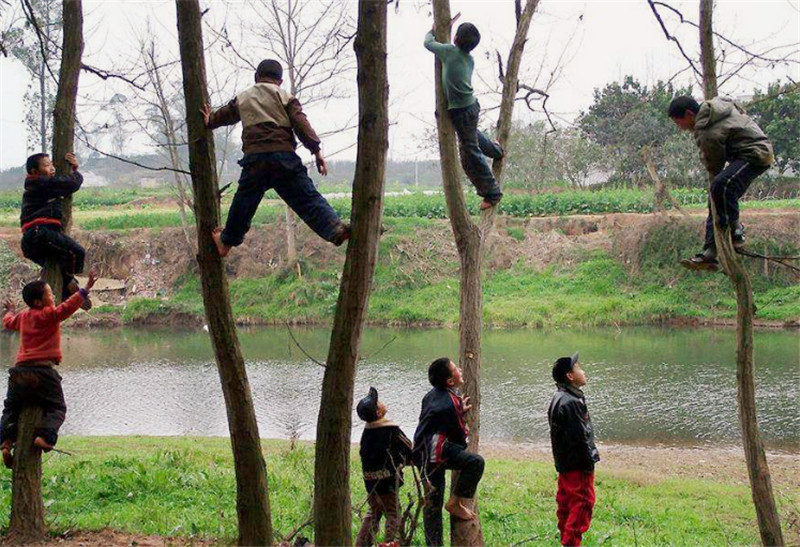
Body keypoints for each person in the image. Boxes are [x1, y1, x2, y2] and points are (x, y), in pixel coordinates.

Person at [202, 59, 349, 257]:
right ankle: (334, 230)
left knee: (243, 203)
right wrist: (316, 151)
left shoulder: (243, 97)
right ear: (279, 81)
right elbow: (301, 124)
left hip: (256, 162)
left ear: (256, 78)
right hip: (284, 160)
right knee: (308, 198)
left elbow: (225, 115)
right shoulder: (286, 97)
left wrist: (210, 120)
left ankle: (226, 243)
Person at [0, 271, 97, 468]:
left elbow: (8, 322)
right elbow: (67, 307)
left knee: (11, 409)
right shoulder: (49, 315)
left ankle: (5, 442)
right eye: (50, 294)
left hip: (19, 372)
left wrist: (9, 310)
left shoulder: (22, 317)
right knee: (57, 407)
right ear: (39, 302)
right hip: (43, 372)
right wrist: (85, 289)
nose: (53, 297)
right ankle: (45, 437)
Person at [668, 95, 774, 271]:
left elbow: (714, 163)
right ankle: (710, 250)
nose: (680, 128)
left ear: (689, 114)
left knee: (721, 186)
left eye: (679, 123)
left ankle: (735, 233)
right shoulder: (717, 108)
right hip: (746, 153)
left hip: (755, 154)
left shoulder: (707, 129)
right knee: (716, 195)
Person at [424, 17, 505, 210]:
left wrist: (432, 30)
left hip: (461, 110)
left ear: (456, 38)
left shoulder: (449, 52)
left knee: (470, 151)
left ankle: (492, 193)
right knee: (471, 135)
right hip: (470, 107)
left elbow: (427, 43)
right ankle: (496, 151)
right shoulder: (469, 59)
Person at [413, 357, 485, 546]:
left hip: (421, 452)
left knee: (432, 507)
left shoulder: (431, 395)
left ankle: (433, 544)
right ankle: (455, 503)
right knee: (476, 463)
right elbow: (460, 437)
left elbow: (436, 417)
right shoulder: (450, 402)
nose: (460, 369)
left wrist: (458, 409)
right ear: (450, 382)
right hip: (436, 452)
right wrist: (459, 415)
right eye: (455, 369)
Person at [21, 152, 91, 308]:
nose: (52, 168)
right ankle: (71, 284)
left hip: (31, 241)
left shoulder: (37, 184)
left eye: (52, 164)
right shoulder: (41, 183)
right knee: (77, 252)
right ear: (34, 171)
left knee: (61, 267)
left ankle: (68, 292)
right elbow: (71, 184)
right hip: (40, 234)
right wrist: (75, 170)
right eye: (46, 165)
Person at [548, 352, 600, 547]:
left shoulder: (559, 398)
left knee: (566, 505)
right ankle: (570, 543)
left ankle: (566, 541)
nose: (583, 371)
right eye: (578, 368)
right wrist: (589, 464)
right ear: (570, 376)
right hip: (578, 467)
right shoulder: (571, 402)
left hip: (565, 465)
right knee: (581, 506)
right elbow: (581, 438)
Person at [355, 387, 413, 547]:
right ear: (379, 414)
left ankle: (362, 544)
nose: (381, 402)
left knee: (373, 511)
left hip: (370, 482)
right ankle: (391, 543)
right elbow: (408, 448)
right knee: (393, 512)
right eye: (378, 403)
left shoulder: (367, 432)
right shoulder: (390, 430)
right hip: (387, 482)